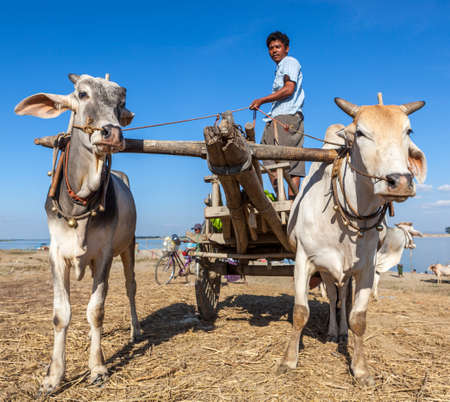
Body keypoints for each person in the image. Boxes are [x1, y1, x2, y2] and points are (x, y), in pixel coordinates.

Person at [249, 31, 305, 199]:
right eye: (271, 48)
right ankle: (281, 199)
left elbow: (289, 89)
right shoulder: (281, 67)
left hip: (286, 118)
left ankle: (292, 203)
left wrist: (261, 100)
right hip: (274, 118)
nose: (274, 50)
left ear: (286, 48)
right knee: (268, 162)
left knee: (290, 163)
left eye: (277, 47)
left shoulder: (289, 62)